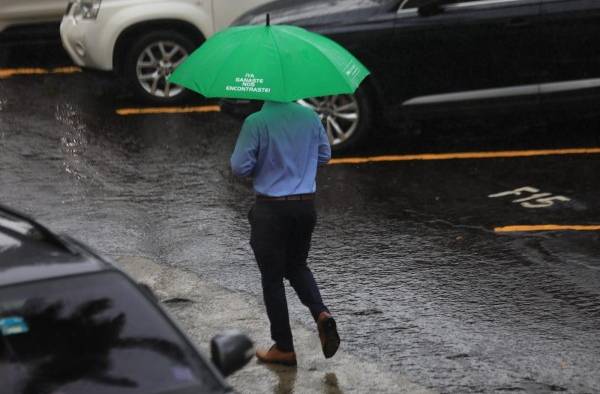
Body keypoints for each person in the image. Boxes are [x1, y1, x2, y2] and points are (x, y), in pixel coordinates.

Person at [230, 100, 340, 366]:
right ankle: (321, 312)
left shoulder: (256, 122)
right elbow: (325, 155)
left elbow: (239, 167)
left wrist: (267, 163)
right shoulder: (311, 117)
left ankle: (284, 347)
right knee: (298, 265)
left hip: (271, 209)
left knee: (272, 278)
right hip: (304, 206)